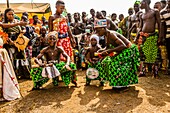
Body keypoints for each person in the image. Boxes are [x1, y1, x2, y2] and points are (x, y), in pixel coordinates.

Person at [94, 19, 139, 87]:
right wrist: (101, 51)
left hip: (129, 50)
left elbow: (123, 46)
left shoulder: (111, 34)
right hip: (121, 50)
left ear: (103, 28)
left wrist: (108, 51)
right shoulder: (106, 35)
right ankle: (111, 81)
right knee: (104, 62)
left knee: (114, 64)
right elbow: (108, 47)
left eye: (98, 30)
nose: (96, 32)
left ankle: (121, 85)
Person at [135, 0, 160, 77]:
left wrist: (160, 36)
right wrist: (137, 36)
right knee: (142, 53)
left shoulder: (154, 11)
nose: (140, 4)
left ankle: (155, 71)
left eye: (141, 2)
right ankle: (143, 71)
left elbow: (160, 24)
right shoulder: (141, 15)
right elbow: (140, 27)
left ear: (146, 2)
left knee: (154, 52)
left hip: (152, 35)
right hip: (143, 35)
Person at [2, 8, 30, 79]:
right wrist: (10, 41)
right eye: (9, 14)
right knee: (12, 58)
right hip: (9, 42)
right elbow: (4, 28)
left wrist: (22, 31)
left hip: (19, 42)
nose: (11, 16)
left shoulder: (17, 21)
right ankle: (15, 75)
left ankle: (25, 74)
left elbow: (24, 28)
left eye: (12, 14)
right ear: (6, 15)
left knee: (22, 58)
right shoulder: (4, 23)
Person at [160, 0, 170, 74]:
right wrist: (162, 37)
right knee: (169, 52)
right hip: (168, 35)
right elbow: (162, 25)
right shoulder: (163, 12)